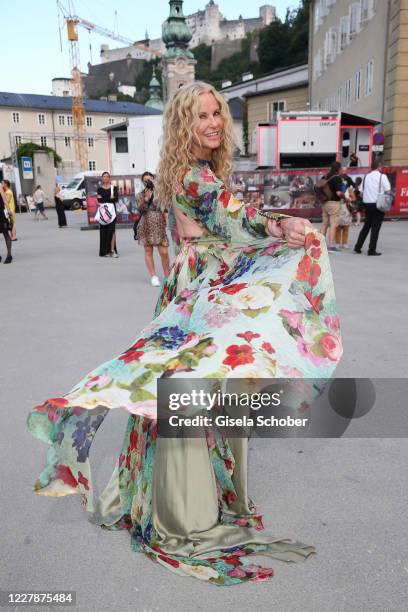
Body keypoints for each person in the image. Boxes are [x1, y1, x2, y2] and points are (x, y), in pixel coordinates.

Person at [27, 82, 342, 586]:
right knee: (189, 397)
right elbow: (234, 218)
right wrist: (286, 229)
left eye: (218, 113)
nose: (214, 123)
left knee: (191, 395)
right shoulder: (194, 177)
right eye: (202, 116)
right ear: (183, 125)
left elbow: (223, 225)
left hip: (198, 288)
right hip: (199, 296)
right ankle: (185, 513)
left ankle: (189, 500)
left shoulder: (193, 171)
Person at [136, 172, 170, 286]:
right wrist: (147, 198)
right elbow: (141, 209)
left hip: (159, 224)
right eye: (145, 180)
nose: (148, 182)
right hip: (146, 223)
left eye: (150, 180)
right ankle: (153, 276)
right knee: (148, 250)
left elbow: (165, 208)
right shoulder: (140, 195)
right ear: (143, 182)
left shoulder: (160, 193)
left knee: (164, 252)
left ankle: (167, 275)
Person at [354, 159, 391, 256]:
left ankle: (357, 247)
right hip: (378, 204)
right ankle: (371, 250)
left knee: (366, 226)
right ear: (379, 166)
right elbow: (388, 191)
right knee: (375, 228)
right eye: (381, 166)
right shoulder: (382, 177)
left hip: (367, 204)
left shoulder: (366, 177)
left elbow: (361, 193)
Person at [320, 161, 345, 253]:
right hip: (334, 203)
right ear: (338, 169)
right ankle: (331, 246)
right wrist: (344, 196)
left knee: (325, 224)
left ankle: (320, 245)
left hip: (324, 203)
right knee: (333, 223)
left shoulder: (325, 176)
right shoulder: (337, 178)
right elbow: (338, 193)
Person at [97, 171, 118, 258]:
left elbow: (115, 199)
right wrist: (109, 199)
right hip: (103, 212)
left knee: (112, 231)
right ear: (102, 178)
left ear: (109, 178)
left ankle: (112, 251)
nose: (105, 178)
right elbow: (99, 200)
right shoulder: (99, 189)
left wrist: (105, 199)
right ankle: (104, 251)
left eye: (107, 176)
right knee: (103, 231)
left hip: (112, 212)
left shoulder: (114, 188)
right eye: (104, 176)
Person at [0, 183, 12, 263]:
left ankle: (9, 255)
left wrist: (8, 211)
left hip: (1, 213)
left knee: (5, 233)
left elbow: (4, 199)